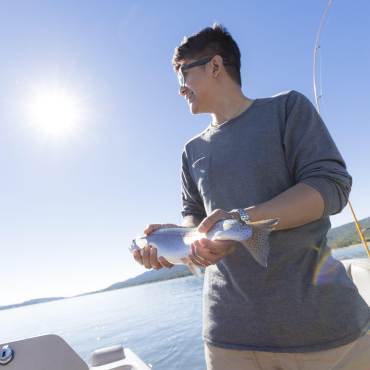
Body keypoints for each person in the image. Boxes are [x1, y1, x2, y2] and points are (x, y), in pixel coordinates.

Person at [132, 24, 370, 370]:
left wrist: (241, 219)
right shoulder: (190, 151)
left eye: (183, 73)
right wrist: (177, 243)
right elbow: (195, 217)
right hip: (228, 337)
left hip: (321, 331)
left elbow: (330, 185)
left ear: (215, 66)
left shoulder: (287, 109)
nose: (180, 88)